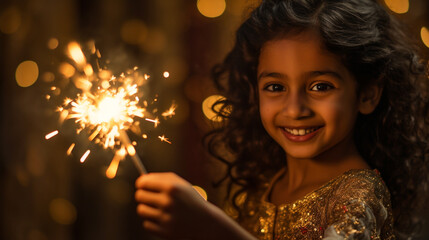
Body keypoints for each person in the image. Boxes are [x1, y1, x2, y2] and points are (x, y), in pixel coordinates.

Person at [134, 0, 429, 239]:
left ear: (367, 95)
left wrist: (210, 226)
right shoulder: (267, 181)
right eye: (276, 87)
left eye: (320, 86)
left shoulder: (359, 198)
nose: (294, 109)